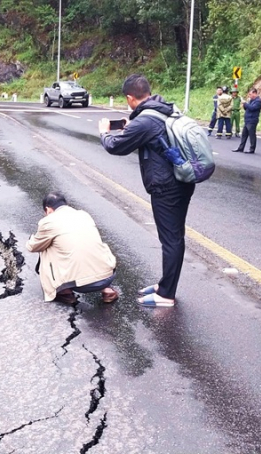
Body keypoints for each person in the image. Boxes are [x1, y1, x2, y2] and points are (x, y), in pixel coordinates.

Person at [98, 74, 195, 307]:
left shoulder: (145, 121)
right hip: (181, 181)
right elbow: (154, 138)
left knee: (171, 239)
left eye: (126, 99)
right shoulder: (164, 109)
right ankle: (165, 285)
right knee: (174, 237)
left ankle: (166, 295)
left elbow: (116, 146)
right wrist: (133, 126)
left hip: (166, 187)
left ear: (131, 98)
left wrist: (104, 132)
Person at [26, 192, 118, 304]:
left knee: (46, 248)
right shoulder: (84, 214)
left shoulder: (49, 221)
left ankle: (64, 292)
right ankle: (107, 289)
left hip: (81, 285)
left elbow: (32, 247)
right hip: (108, 276)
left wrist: (31, 238)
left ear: (48, 210)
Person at [233, 88, 261, 154]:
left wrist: (245, 103)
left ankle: (252, 149)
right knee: (244, 134)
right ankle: (241, 148)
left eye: (250, 94)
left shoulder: (258, 101)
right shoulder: (251, 100)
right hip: (247, 120)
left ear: (255, 93)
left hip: (252, 120)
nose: (249, 95)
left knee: (252, 135)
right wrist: (244, 104)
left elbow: (252, 108)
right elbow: (247, 108)